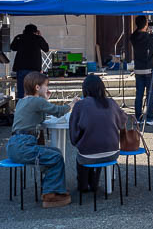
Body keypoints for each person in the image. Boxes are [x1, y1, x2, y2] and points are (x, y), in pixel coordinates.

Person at [6, 71, 73, 207]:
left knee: (55, 152)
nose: (47, 89)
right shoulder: (36, 101)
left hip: (14, 145)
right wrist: (72, 104)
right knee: (56, 157)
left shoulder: (22, 101)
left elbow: (40, 118)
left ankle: (52, 187)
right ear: (37, 87)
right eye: (46, 85)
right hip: (24, 146)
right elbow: (58, 111)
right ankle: (50, 196)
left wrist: (45, 101)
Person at [69, 74, 127, 194]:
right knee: (99, 149)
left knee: (85, 152)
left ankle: (83, 184)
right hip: (113, 153)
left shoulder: (80, 105)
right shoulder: (111, 103)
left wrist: (78, 142)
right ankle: (94, 182)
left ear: (85, 89)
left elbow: (74, 135)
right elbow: (123, 122)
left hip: (88, 154)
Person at [130, 15, 153, 126]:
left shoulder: (133, 37)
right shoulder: (149, 37)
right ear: (146, 25)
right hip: (149, 69)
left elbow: (137, 31)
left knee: (139, 94)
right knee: (150, 94)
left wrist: (145, 24)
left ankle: (138, 118)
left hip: (138, 69)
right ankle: (149, 118)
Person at [10, 24, 50, 100]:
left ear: (24, 30)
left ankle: (21, 108)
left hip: (21, 68)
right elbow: (46, 49)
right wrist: (40, 36)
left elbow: (13, 47)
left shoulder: (19, 37)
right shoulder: (37, 38)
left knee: (21, 91)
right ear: (35, 31)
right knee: (34, 91)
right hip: (34, 69)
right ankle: (33, 108)